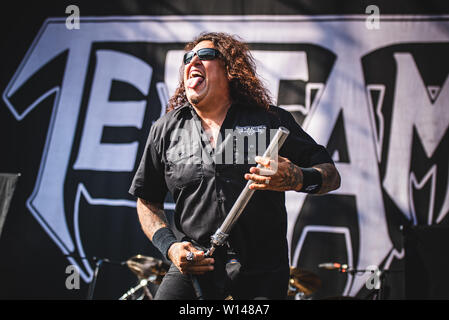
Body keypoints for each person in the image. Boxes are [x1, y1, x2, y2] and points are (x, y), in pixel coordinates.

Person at [129, 32, 341, 300]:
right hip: (195, 266)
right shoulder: (166, 129)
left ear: (230, 69)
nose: (193, 61)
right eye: (188, 58)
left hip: (260, 271)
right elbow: (147, 201)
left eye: (205, 56)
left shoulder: (270, 120)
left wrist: (298, 178)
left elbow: (331, 175)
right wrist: (170, 248)